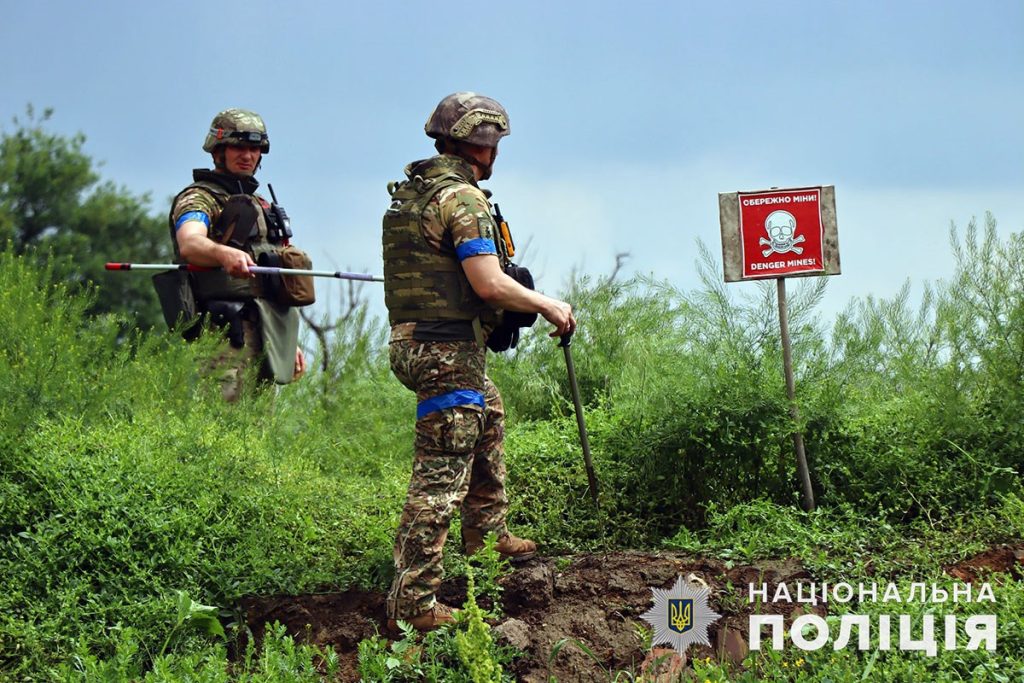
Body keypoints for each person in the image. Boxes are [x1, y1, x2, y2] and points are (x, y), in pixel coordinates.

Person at [382, 92, 576, 631]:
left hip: (415, 341)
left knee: (488, 410)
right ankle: (414, 604)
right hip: (445, 350)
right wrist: (548, 305)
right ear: (483, 143)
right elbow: (488, 283)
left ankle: (486, 536)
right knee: (440, 479)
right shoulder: (462, 199)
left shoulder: (414, 194)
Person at [168, 108, 306, 402]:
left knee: (258, 431)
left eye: (254, 149)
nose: (247, 155)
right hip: (223, 333)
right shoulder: (199, 198)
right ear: (218, 151)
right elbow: (190, 243)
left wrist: (288, 340)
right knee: (221, 426)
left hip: (268, 329)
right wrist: (223, 254)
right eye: (238, 147)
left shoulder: (263, 206)